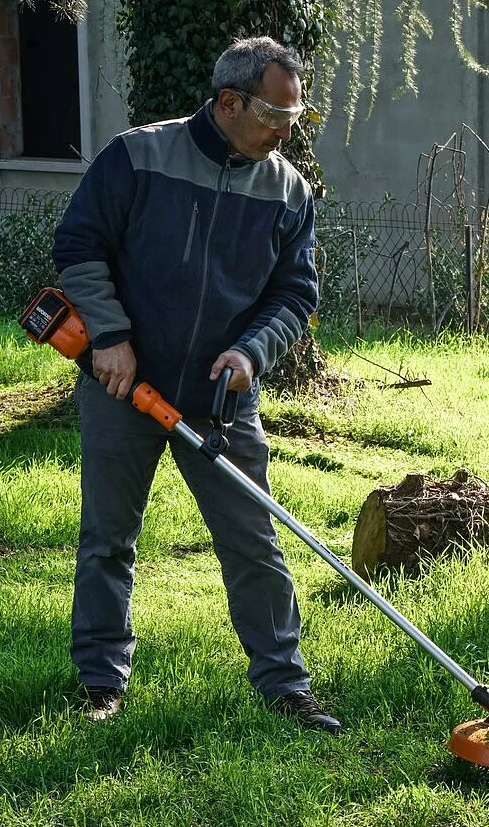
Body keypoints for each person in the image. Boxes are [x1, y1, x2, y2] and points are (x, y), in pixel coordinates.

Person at [52, 36, 341, 734]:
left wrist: (250, 353)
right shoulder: (137, 156)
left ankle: (284, 684)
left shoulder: (287, 192)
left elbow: (294, 295)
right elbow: (79, 247)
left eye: (295, 117)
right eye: (274, 114)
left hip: (220, 397)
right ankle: (101, 683)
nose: (284, 131)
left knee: (253, 540)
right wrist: (111, 337)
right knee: (108, 539)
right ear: (228, 102)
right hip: (124, 385)